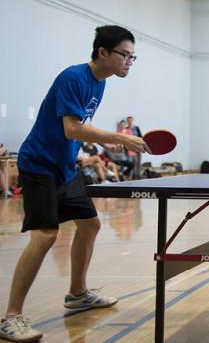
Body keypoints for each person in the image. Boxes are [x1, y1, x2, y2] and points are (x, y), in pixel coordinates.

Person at [0, 26, 148, 343]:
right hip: (39, 165)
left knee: (90, 225)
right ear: (103, 53)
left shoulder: (100, 82)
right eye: (125, 54)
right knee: (45, 236)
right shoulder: (73, 77)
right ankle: (11, 317)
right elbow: (71, 129)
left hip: (65, 167)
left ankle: (77, 294)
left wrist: (108, 143)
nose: (129, 62)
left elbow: (82, 125)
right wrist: (119, 137)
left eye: (133, 56)